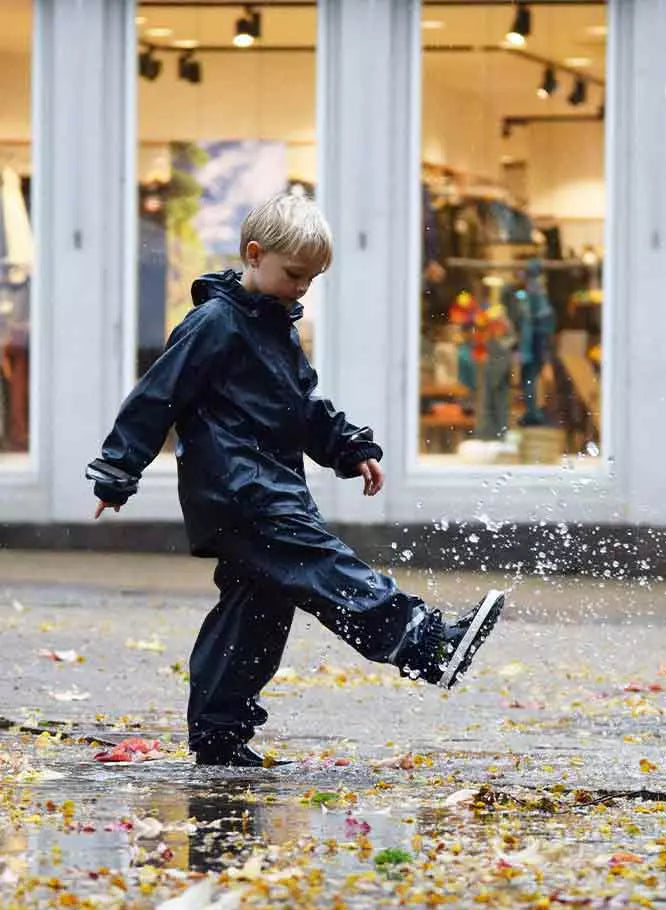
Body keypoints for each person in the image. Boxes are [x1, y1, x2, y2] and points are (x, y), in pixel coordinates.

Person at [86, 194, 504, 767]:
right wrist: (117, 470)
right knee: (319, 563)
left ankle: (219, 736)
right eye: (294, 274)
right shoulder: (214, 323)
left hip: (263, 485)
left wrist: (348, 446)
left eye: (312, 279)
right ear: (254, 255)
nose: (302, 287)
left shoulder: (275, 327)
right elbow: (157, 395)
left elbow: (301, 406)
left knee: (254, 612)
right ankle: (424, 643)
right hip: (241, 492)